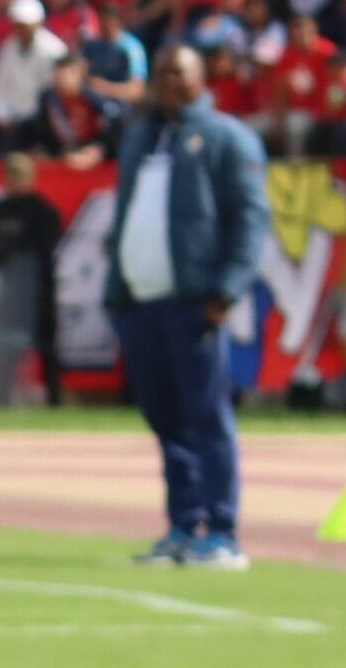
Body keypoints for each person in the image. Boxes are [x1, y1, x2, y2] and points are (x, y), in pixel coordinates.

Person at [104, 45, 269, 570]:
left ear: (202, 78)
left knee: (206, 417)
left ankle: (221, 530)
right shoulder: (139, 137)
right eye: (162, 72)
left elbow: (251, 218)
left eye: (180, 71)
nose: (170, 81)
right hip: (140, 300)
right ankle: (182, 525)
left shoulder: (225, 136)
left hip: (194, 302)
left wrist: (228, 287)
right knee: (166, 420)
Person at [0, 153, 64, 407]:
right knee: (6, 350)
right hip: (8, 291)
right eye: (10, 175)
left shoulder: (42, 211)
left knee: (45, 348)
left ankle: (54, 401)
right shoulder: (0, 210)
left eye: (18, 175)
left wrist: (12, 249)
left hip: (37, 290)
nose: (13, 181)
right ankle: (1, 401)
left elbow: (47, 246)